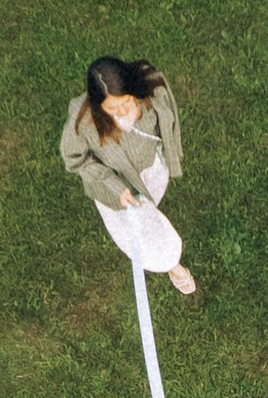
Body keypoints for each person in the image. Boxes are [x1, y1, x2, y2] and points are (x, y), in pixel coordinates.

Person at [58, 57, 196, 297]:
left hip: (150, 170)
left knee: (153, 206)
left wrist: (170, 155)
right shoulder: (83, 122)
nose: (121, 111)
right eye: (111, 108)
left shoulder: (152, 87)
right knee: (147, 238)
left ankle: (157, 220)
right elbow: (74, 159)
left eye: (125, 101)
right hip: (117, 191)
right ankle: (172, 265)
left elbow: (169, 119)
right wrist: (114, 186)